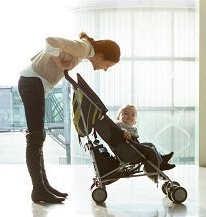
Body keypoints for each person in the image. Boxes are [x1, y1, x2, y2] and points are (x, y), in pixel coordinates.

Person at [19, 32, 121, 203]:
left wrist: (58, 63)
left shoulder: (84, 50)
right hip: (32, 83)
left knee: (38, 137)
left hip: (34, 83)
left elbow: (41, 56)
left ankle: (43, 186)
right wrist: (59, 62)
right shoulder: (84, 48)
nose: (104, 69)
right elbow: (50, 41)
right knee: (35, 138)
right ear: (102, 56)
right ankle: (38, 190)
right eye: (107, 65)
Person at [116, 104, 175, 172]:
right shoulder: (119, 124)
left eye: (132, 115)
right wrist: (123, 131)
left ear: (135, 122)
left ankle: (161, 158)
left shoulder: (131, 129)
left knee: (150, 145)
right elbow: (116, 130)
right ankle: (161, 164)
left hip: (134, 148)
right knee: (150, 147)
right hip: (130, 152)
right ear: (118, 118)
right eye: (125, 113)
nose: (129, 115)